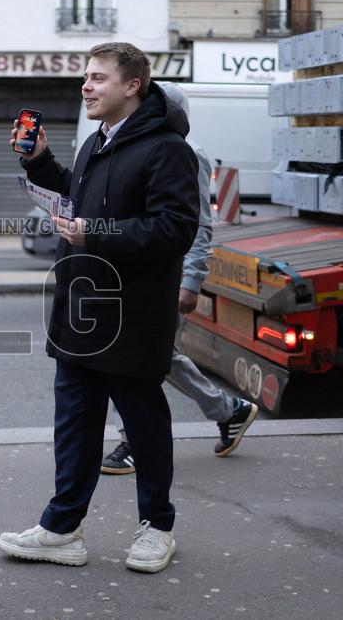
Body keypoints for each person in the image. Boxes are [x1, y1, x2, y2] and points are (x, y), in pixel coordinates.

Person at [0, 43, 199, 574]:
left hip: (132, 315)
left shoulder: (166, 149)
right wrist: (39, 161)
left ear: (132, 85)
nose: (86, 87)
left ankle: (157, 526)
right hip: (80, 310)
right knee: (74, 426)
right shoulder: (96, 141)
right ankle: (62, 528)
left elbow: (175, 228)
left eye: (98, 78)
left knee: (144, 425)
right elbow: (78, 194)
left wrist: (96, 233)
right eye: (85, 77)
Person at [100, 82, 258, 476]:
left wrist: (192, 279)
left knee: (134, 359)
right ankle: (229, 410)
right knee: (155, 356)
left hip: (165, 276)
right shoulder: (134, 146)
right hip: (134, 274)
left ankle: (134, 439)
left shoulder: (185, 152)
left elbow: (199, 223)